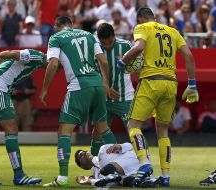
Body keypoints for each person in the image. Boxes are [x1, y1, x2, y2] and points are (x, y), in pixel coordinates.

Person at [117, 7, 199, 187]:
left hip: (151, 81)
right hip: (170, 83)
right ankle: (165, 175)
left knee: (133, 125)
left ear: (140, 19)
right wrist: (192, 84)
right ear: (154, 17)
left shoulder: (143, 28)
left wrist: (122, 62)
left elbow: (138, 48)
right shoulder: (173, 31)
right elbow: (188, 55)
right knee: (163, 131)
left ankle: (144, 164)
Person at [40, 16, 117, 188]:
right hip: (97, 84)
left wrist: (44, 88)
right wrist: (105, 82)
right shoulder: (89, 35)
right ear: (72, 24)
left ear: (56, 26)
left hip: (78, 86)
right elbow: (103, 61)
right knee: (103, 128)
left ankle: (62, 178)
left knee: (64, 132)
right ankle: (119, 167)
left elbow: (52, 64)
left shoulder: (56, 37)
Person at [0, 49, 46, 185]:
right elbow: (13, 53)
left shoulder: (32, 62)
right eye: (58, 66)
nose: (57, 70)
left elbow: (9, 60)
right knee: (12, 129)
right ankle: (19, 175)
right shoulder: (37, 57)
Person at [90, 22, 134, 158]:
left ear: (114, 36)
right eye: (104, 44)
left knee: (134, 131)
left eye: (110, 42)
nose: (108, 46)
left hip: (124, 97)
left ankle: (143, 164)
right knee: (97, 131)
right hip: (103, 99)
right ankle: (96, 166)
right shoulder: (94, 49)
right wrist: (104, 86)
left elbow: (136, 67)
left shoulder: (126, 46)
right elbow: (91, 71)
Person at [75, 143, 162, 188]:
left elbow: (131, 146)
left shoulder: (103, 150)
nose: (83, 153)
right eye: (80, 156)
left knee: (107, 170)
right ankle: (151, 180)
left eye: (84, 151)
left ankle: (114, 172)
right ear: (84, 167)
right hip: (133, 171)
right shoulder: (96, 174)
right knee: (123, 181)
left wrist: (121, 146)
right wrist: (90, 181)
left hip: (139, 158)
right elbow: (105, 183)